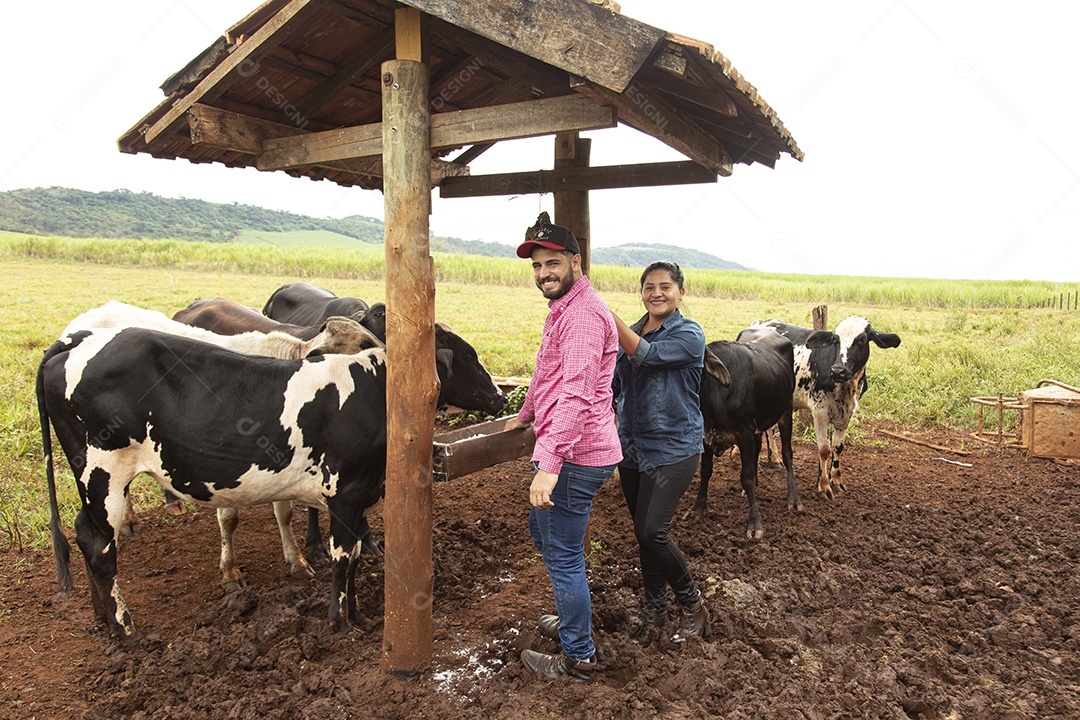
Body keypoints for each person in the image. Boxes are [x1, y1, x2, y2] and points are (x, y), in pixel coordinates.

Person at [505, 213, 622, 683]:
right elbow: (547, 373)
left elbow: (575, 393)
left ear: (575, 261)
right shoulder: (565, 309)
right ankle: (573, 618)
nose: (543, 273)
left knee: (563, 554)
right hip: (572, 446)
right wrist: (526, 413)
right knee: (547, 538)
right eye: (536, 267)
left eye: (552, 263)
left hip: (577, 454)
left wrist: (549, 464)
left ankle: (578, 658)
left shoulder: (583, 317)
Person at [611, 261, 710, 644]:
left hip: (674, 447)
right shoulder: (632, 331)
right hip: (632, 449)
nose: (656, 293)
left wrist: (607, 317)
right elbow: (615, 384)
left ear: (680, 293)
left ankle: (693, 603)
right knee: (642, 533)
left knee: (653, 530)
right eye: (649, 287)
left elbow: (647, 356)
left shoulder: (689, 334)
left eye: (665, 287)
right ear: (641, 293)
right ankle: (655, 605)